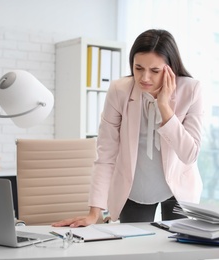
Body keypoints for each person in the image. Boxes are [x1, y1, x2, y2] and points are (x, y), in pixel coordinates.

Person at [52, 29, 204, 227]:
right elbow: (106, 154)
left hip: (179, 189)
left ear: (170, 69)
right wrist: (93, 212)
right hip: (135, 187)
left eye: (155, 71)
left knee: (178, 253)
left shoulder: (191, 90)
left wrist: (164, 108)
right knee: (133, 249)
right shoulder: (119, 90)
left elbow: (189, 154)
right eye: (138, 68)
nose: (144, 78)